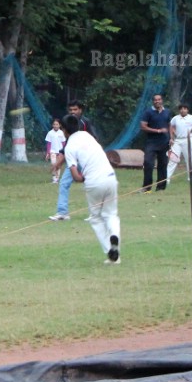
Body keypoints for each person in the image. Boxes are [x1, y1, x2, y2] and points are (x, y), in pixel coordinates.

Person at [61, 114, 120, 265]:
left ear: (64, 130)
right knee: (110, 214)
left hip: (93, 181)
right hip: (110, 176)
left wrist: (83, 178)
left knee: (95, 218)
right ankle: (114, 236)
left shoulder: (69, 147)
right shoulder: (87, 135)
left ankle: (110, 253)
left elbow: (75, 176)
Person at [49, 100, 95, 222]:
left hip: (86, 159)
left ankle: (95, 214)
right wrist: (58, 163)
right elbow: (68, 146)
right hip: (73, 160)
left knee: (90, 185)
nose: (73, 112)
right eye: (71, 110)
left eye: (75, 109)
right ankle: (62, 213)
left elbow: (94, 139)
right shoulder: (67, 123)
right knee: (64, 183)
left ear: (81, 110)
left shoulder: (85, 123)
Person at [140, 93, 173, 192]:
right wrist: (157, 131)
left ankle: (161, 187)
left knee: (163, 165)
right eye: (155, 100)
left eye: (159, 99)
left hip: (164, 142)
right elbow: (143, 126)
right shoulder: (148, 112)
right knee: (148, 163)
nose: (157, 101)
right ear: (153, 101)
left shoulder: (167, 112)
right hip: (151, 142)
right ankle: (147, 187)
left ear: (162, 100)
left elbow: (170, 125)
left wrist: (171, 138)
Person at [169, 103, 192, 184]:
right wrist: (171, 138)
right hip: (177, 141)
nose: (183, 110)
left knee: (189, 160)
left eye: (185, 108)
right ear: (179, 110)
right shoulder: (176, 118)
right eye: (181, 109)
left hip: (188, 140)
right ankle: (166, 179)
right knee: (173, 159)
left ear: (187, 110)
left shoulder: (191, 118)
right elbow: (171, 125)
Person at [44, 119, 66, 184]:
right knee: (53, 164)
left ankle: (56, 179)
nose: (55, 126)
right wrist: (48, 153)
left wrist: (64, 152)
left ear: (59, 125)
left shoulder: (61, 133)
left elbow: (63, 143)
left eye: (57, 124)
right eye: (54, 124)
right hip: (52, 151)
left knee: (58, 165)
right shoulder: (50, 133)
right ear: (52, 125)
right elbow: (49, 143)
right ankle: (54, 178)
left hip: (60, 152)